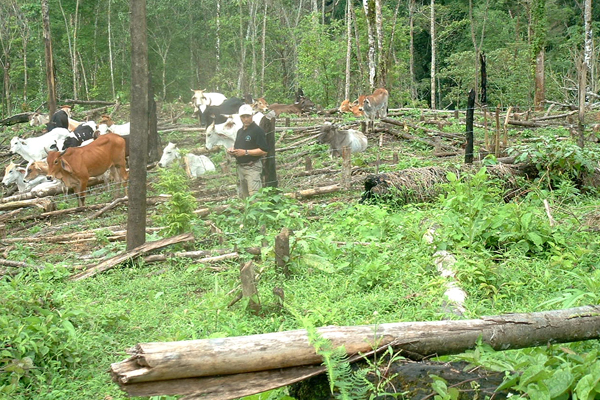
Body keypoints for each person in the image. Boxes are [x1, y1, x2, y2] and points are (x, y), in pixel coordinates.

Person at [227, 104, 268, 199]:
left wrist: (245, 152)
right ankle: (247, 212)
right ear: (240, 117)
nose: (245, 119)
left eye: (248, 116)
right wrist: (232, 150)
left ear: (252, 115)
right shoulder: (240, 131)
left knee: (255, 197)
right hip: (241, 168)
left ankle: (258, 213)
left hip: (252, 167)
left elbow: (264, 150)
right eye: (243, 116)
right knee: (244, 197)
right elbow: (239, 146)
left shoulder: (257, 131)